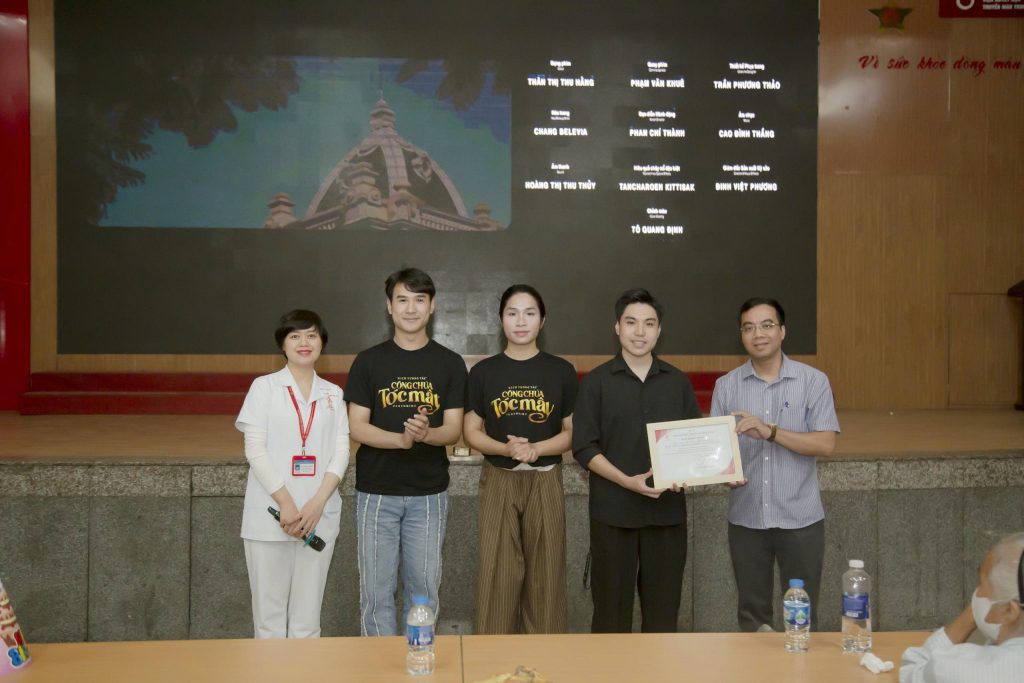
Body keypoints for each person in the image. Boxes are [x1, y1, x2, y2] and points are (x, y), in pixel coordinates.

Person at [572, 288, 701, 633]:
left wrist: (693, 471)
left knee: (663, 618)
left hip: (666, 516)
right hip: (613, 515)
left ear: (659, 330)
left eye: (649, 323)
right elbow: (583, 447)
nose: (640, 332)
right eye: (631, 322)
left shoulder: (677, 382)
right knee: (610, 619)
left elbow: (693, 444)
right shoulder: (596, 382)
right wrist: (626, 482)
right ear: (617, 327)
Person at [346, 267, 467, 636]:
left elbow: (454, 429)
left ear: (432, 306)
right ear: (389, 306)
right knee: (375, 595)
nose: (410, 308)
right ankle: (378, 664)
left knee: (423, 593)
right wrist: (400, 440)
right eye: (402, 300)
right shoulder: (368, 361)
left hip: (428, 495)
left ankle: (419, 658)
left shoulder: (449, 362)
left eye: (419, 300)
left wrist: (427, 434)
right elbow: (357, 426)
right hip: (376, 493)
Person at [709, 297, 839, 632]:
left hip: (800, 519)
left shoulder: (813, 381)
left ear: (782, 331)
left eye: (767, 325)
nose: (758, 334)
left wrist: (771, 432)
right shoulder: (726, 386)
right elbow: (718, 454)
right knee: (752, 618)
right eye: (749, 328)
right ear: (741, 335)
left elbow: (825, 443)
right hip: (747, 518)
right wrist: (725, 475)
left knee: (802, 617)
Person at [464, 284, 577, 634]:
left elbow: (572, 432)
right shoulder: (484, 372)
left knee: (547, 576)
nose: (521, 321)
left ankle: (545, 657)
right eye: (512, 313)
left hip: (545, 477)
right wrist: (506, 449)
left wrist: (536, 449)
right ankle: (493, 657)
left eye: (530, 313)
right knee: (497, 575)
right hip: (499, 477)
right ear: (501, 319)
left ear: (542, 320)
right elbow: (471, 431)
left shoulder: (561, 370)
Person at [236, 309, 348, 638]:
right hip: (271, 515)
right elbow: (254, 449)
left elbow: (341, 451)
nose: (304, 342)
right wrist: (286, 503)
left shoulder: (333, 393)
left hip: (318, 517)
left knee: (307, 622)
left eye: (311, 335)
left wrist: (316, 504)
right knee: (269, 622)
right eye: (295, 336)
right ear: (282, 345)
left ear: (322, 343)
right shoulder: (264, 388)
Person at [901, 532, 1024, 682]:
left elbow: (912, 668)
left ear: (1009, 610)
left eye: (982, 585)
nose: (978, 594)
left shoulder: (956, 668)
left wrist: (972, 614)